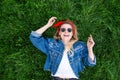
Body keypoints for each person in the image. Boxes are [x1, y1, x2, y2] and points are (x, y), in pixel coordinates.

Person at [29, 17, 96, 80]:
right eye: (63, 30)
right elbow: (34, 37)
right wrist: (48, 25)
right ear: (59, 32)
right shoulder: (52, 44)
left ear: (72, 33)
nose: (66, 32)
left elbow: (90, 63)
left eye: (69, 30)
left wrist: (90, 49)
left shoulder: (80, 46)